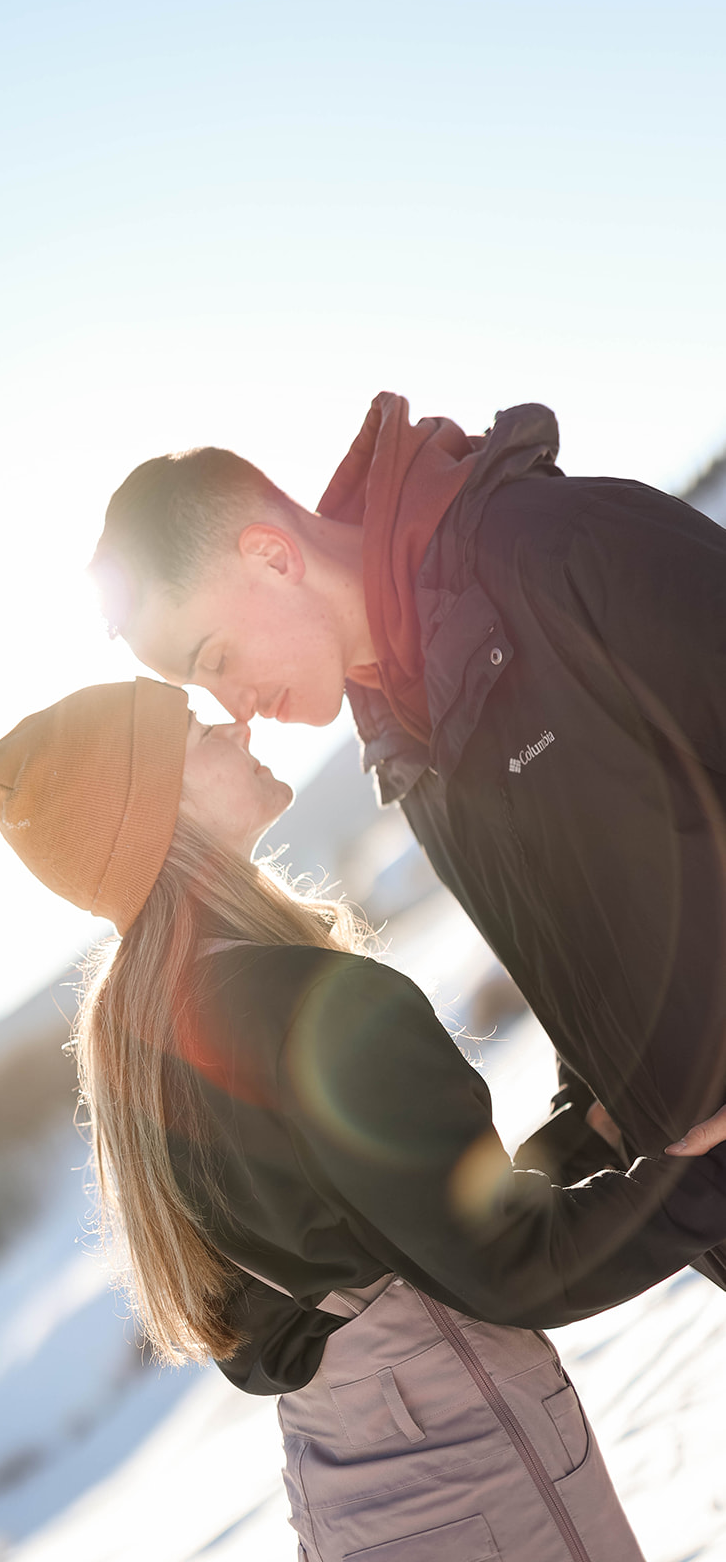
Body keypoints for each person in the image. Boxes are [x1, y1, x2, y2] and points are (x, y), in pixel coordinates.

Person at [0, 678, 726, 1562]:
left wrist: (578, 1136)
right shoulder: (302, 1005)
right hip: (469, 1477)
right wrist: (704, 1179)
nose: (233, 722)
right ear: (157, 813)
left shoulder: (150, 1042)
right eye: (192, 728)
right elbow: (509, 1270)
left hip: (355, 1490)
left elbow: (390, 1253)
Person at [89, 393, 726, 1249]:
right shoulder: (405, 733)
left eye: (217, 659)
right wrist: (588, 1119)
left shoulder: (557, 550)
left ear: (272, 556)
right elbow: (596, 945)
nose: (232, 708)